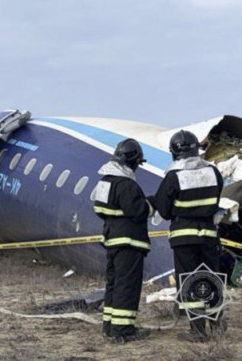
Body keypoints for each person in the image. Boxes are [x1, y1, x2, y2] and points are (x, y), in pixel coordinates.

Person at [151, 130, 225, 342]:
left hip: (184, 238)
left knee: (190, 281)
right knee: (212, 278)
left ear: (174, 152)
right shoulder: (213, 172)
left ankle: (198, 331)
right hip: (209, 235)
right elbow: (216, 200)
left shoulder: (174, 176)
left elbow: (163, 210)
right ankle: (217, 323)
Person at [93, 139, 153, 343]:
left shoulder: (105, 181)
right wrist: (151, 203)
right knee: (127, 285)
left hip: (111, 240)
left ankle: (110, 326)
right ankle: (123, 330)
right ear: (134, 161)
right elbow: (139, 211)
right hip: (129, 242)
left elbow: (99, 210)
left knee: (114, 283)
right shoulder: (126, 184)